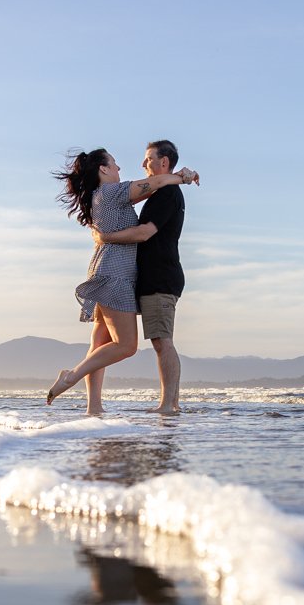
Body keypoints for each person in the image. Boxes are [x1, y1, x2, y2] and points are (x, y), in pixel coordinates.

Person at [50, 149, 199, 413]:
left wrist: (178, 177)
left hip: (103, 270)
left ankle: (94, 408)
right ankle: (70, 376)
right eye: (115, 164)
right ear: (103, 170)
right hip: (116, 274)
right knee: (126, 345)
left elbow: (152, 189)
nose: (120, 169)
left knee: (99, 344)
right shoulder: (111, 192)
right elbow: (155, 183)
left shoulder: (105, 196)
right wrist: (182, 177)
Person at [94, 139, 194, 414]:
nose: (142, 164)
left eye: (148, 159)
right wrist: (183, 175)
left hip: (161, 277)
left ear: (163, 162)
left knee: (162, 341)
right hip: (151, 277)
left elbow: (144, 232)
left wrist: (106, 237)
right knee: (160, 342)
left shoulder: (167, 194)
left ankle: (168, 405)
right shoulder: (161, 190)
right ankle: (169, 404)